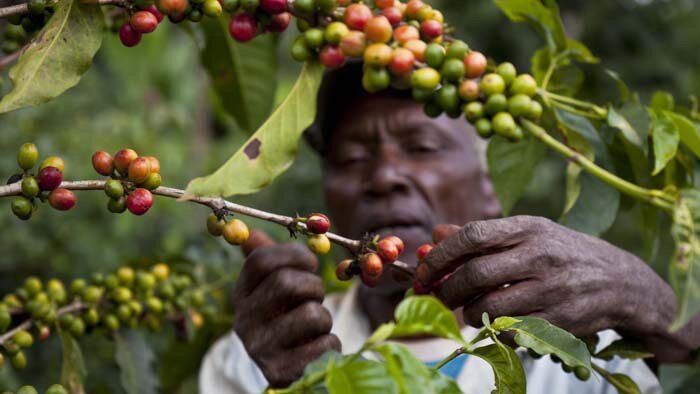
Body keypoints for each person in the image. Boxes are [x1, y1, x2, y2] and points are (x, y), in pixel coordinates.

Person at [199, 63, 700, 393]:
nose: (384, 176)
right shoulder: (250, 361)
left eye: (421, 146)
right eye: (352, 156)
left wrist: (653, 303)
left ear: (491, 186)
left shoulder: (584, 348)